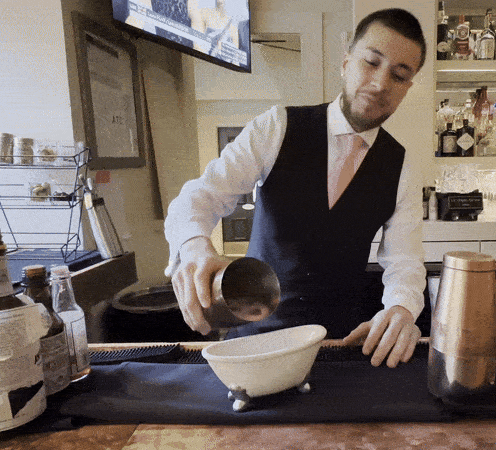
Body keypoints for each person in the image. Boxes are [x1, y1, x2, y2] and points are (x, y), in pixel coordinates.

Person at [165, 8, 427, 368]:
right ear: (346, 62)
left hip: (339, 348)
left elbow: (405, 262)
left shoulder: (402, 168)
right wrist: (194, 247)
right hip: (256, 341)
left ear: (407, 88)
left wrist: (401, 308)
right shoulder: (277, 127)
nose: (381, 83)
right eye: (371, 62)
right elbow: (198, 197)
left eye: (399, 76)